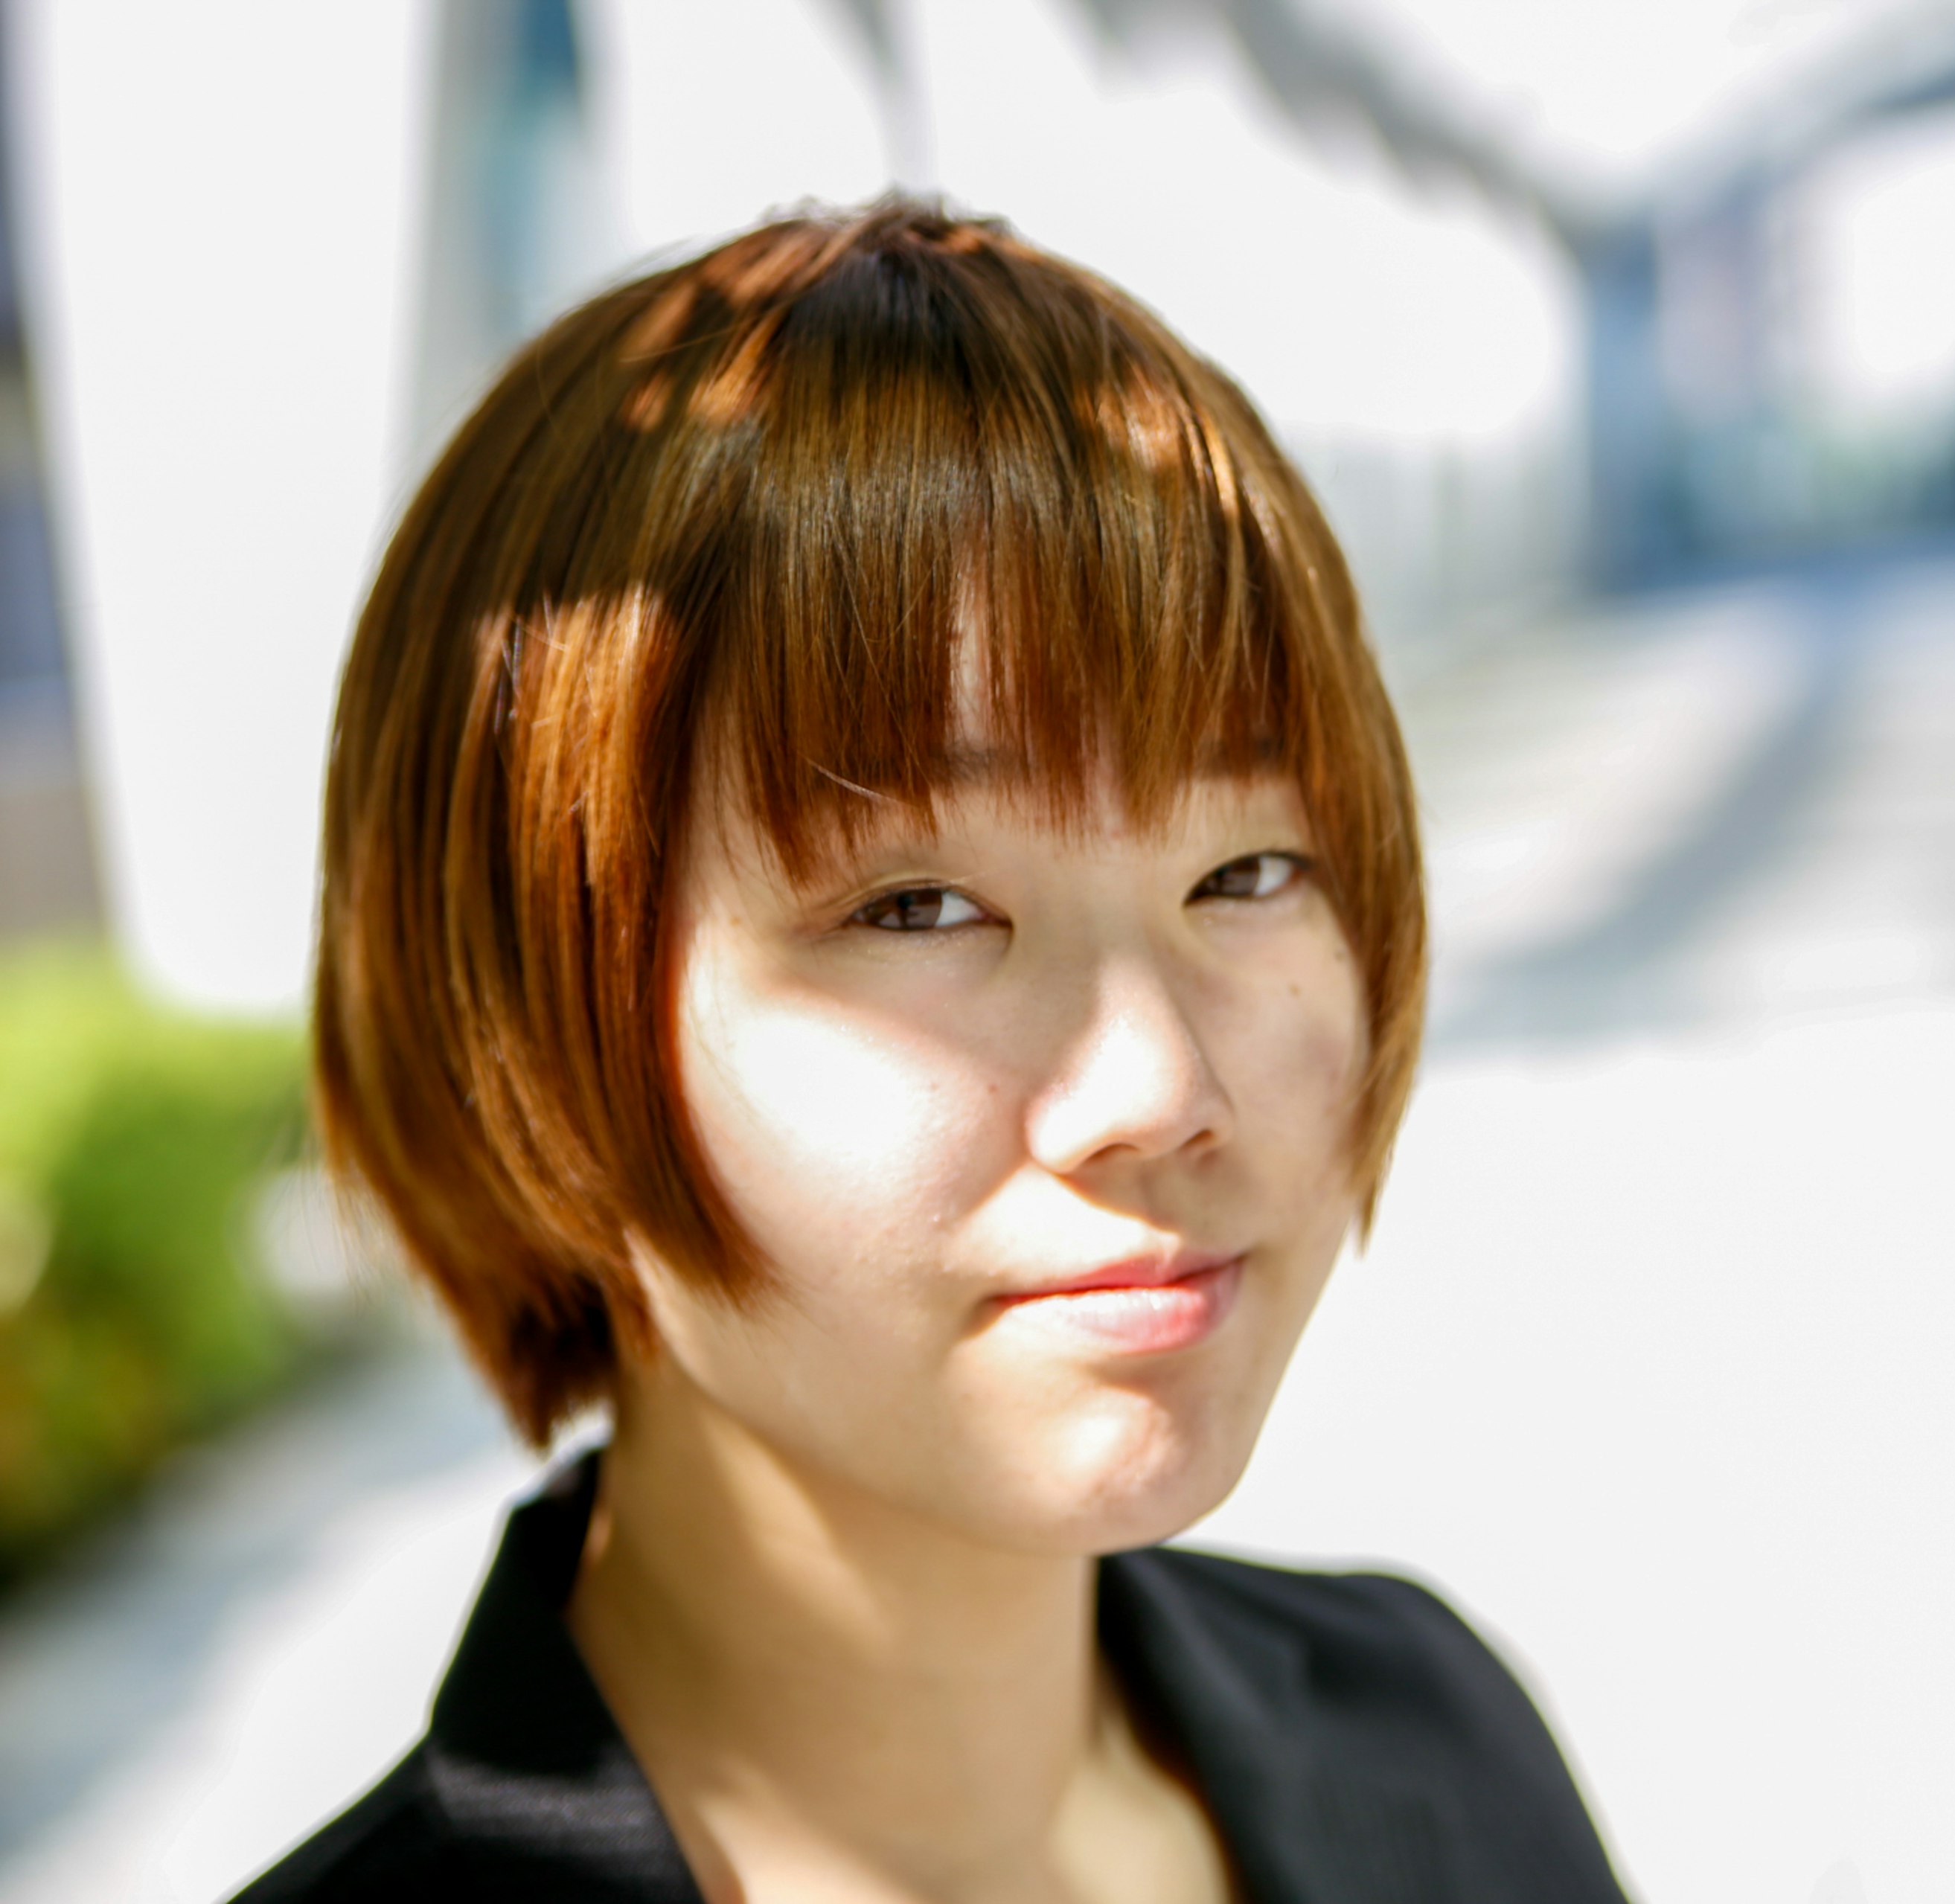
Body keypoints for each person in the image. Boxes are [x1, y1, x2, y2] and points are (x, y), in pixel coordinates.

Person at [237, 200, 1627, 1903]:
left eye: (1247, 869)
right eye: (918, 906)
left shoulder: (1430, 1735)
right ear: (522, 1012)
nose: (1160, 1086)